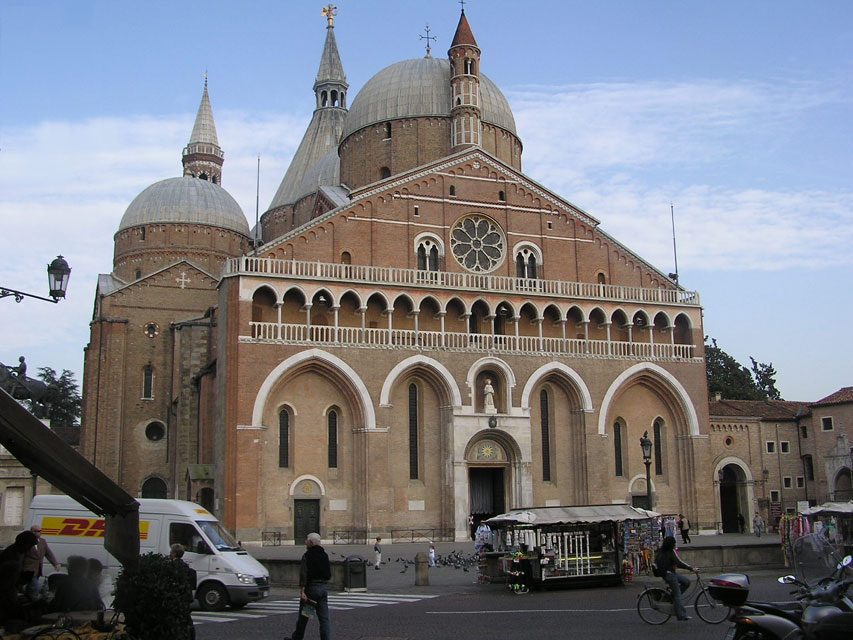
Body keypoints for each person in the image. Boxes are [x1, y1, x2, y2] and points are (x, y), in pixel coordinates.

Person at [284, 532, 331, 640]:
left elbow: (303, 574)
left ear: (310, 542)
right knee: (324, 618)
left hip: (311, 591)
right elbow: (328, 574)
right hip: (323, 590)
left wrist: (302, 591)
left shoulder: (307, 555)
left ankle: (297, 638)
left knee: (304, 616)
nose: (305, 542)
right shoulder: (325, 555)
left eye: (307, 541)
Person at [654, 535, 698, 621]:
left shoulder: (661, 552)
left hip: (668, 574)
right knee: (678, 595)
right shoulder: (670, 552)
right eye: (674, 543)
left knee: (686, 582)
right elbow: (679, 562)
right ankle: (681, 615)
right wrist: (691, 568)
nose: (675, 545)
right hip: (670, 575)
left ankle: (673, 596)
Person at [21, 523, 60, 599]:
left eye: (39, 531)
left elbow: (49, 553)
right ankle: (34, 602)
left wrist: (55, 564)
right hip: (28, 569)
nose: (38, 533)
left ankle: (26, 600)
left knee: (30, 587)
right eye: (35, 531)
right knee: (35, 587)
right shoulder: (25, 542)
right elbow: (21, 555)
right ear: (31, 532)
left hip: (38, 569)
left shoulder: (42, 541)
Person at [169, 544, 197, 640]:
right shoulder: (187, 568)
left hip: (175, 598)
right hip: (186, 598)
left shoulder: (170, 567)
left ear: (173, 554)